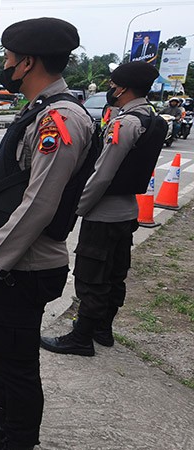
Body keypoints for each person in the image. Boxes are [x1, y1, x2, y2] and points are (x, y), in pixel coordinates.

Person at [0, 18, 94, 450]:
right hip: (12, 263)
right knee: (5, 351)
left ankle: (16, 449)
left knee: (18, 364)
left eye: (9, 56)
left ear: (27, 61)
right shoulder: (39, 110)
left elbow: (40, 206)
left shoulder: (60, 120)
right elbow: (17, 186)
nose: (5, 63)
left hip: (24, 266)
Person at [40, 61, 166, 356]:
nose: (110, 88)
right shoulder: (152, 118)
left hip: (103, 213)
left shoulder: (126, 123)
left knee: (91, 275)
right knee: (114, 273)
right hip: (128, 211)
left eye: (112, 83)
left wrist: (78, 207)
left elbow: (103, 173)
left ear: (122, 87)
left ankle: (81, 337)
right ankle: (102, 329)